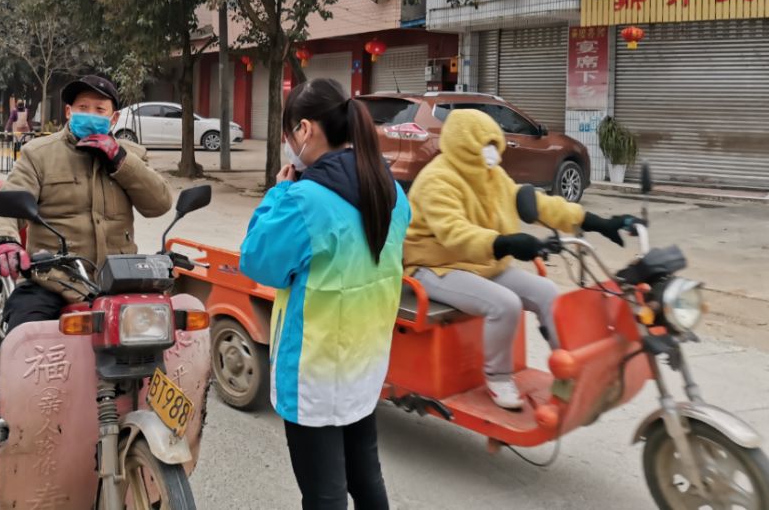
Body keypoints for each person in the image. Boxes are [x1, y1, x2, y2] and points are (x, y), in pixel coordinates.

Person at [240, 78, 411, 510]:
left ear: (305, 129)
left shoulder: (304, 201)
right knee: (366, 480)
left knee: (324, 496)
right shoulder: (391, 190)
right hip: (365, 365)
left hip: (314, 375)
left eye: (288, 134)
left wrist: (279, 192)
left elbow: (258, 261)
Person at [403, 108, 637, 410]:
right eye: (484, 144)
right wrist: (505, 243)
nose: (492, 151)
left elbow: (537, 204)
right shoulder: (437, 180)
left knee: (547, 292)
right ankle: (498, 378)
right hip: (436, 267)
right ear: (463, 144)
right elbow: (455, 234)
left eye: (494, 143)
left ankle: (569, 369)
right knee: (505, 304)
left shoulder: (492, 175)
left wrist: (596, 222)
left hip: (482, 263)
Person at [0, 75, 173, 328]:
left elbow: (159, 203)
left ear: (114, 118)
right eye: (83, 108)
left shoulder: (130, 155)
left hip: (119, 279)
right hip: (52, 281)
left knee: (163, 330)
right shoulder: (39, 154)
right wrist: (2, 241)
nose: (90, 115)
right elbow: (3, 206)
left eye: (100, 109)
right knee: (25, 336)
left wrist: (120, 161)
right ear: (69, 112)